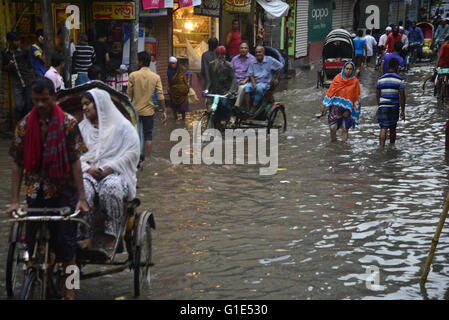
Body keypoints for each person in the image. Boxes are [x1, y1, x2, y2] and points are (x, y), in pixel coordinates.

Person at [6, 77, 89, 300]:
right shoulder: (24, 125)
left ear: (53, 97)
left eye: (45, 100)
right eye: (36, 101)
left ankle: (70, 290)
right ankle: (37, 270)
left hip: (62, 190)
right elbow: (17, 163)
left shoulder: (68, 123)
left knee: (68, 248)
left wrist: (82, 198)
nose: (40, 105)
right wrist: (14, 200)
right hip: (35, 191)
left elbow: (75, 161)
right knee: (31, 245)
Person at [77, 89, 140, 258]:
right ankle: (84, 236)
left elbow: (133, 152)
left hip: (115, 173)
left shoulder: (122, 127)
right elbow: (74, 155)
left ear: (99, 105)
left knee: (111, 188)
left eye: (87, 104)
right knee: (83, 189)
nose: (84, 108)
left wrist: (110, 168)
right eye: (82, 104)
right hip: (89, 172)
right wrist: (87, 169)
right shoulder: (81, 129)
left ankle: (111, 237)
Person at [127, 51, 167, 158]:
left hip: (135, 112)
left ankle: (134, 159)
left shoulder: (133, 76)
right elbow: (160, 96)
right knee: (148, 137)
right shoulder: (155, 77)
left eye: (137, 60)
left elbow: (129, 96)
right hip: (149, 112)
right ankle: (146, 160)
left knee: (133, 136)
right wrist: (164, 111)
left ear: (140, 62)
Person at [320, 61, 361, 142]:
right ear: (344, 69)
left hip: (347, 109)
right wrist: (324, 104)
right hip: (335, 107)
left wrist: (350, 110)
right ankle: (333, 144)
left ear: (353, 70)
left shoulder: (355, 81)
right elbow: (330, 92)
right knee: (332, 128)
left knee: (345, 129)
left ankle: (343, 148)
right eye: (347, 68)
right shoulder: (337, 78)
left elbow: (356, 96)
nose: (348, 71)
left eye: (350, 69)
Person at [1, 32, 34, 118]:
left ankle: (28, 124)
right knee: (18, 106)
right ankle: (20, 124)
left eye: (19, 40)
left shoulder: (24, 51)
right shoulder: (5, 53)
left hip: (28, 81)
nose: (18, 43)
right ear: (9, 42)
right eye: (16, 41)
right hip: (16, 84)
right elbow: (2, 67)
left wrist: (32, 76)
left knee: (29, 105)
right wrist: (8, 66)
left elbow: (31, 64)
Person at [376, 58, 406, 147]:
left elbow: (377, 94)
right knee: (393, 128)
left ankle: (381, 148)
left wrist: (379, 104)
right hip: (394, 107)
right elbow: (402, 96)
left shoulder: (380, 79)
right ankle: (392, 147)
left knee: (383, 127)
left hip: (382, 106)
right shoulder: (400, 79)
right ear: (396, 67)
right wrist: (402, 110)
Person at [244, 46, 283, 112]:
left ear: (263, 52)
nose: (258, 54)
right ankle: (247, 108)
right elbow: (251, 75)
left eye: (259, 52)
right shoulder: (252, 62)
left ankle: (254, 106)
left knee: (259, 88)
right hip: (255, 81)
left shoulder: (269, 60)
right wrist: (254, 83)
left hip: (265, 83)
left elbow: (280, 67)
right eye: (256, 52)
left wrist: (276, 78)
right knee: (246, 88)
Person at [206, 46, 238, 126]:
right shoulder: (211, 65)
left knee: (224, 105)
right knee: (210, 106)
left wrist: (230, 91)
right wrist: (206, 89)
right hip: (214, 91)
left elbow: (234, 79)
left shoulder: (228, 65)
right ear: (216, 55)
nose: (220, 56)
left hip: (225, 91)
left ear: (225, 55)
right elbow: (210, 80)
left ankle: (225, 121)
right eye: (219, 54)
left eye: (222, 54)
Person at [231, 41, 256, 107]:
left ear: (248, 49)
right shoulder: (234, 59)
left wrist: (244, 81)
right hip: (235, 81)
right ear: (239, 49)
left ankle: (236, 107)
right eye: (241, 48)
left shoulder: (252, 59)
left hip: (246, 81)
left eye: (245, 48)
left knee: (242, 88)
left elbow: (251, 73)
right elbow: (231, 71)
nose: (243, 49)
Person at [167, 56, 190, 121]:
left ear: (176, 63)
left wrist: (187, 85)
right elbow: (169, 81)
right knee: (174, 107)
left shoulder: (181, 69)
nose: (172, 65)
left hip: (182, 91)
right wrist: (168, 87)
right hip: (173, 91)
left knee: (183, 108)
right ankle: (175, 119)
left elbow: (186, 77)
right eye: (171, 63)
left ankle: (183, 119)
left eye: (174, 63)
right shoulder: (169, 71)